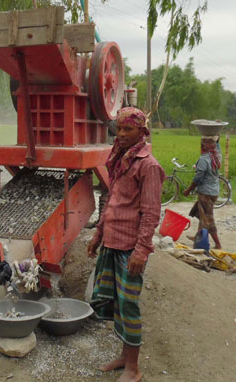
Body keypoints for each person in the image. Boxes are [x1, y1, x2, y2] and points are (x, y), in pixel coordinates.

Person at [87, 107, 165, 382]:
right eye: (118, 128)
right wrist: (98, 235)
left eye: (127, 129)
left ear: (141, 132)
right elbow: (111, 200)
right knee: (117, 303)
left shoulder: (148, 166)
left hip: (130, 247)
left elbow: (151, 212)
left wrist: (142, 250)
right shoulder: (119, 159)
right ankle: (124, 357)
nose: (120, 134)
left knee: (129, 304)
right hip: (112, 241)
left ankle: (134, 368)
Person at [183, 136, 223, 249]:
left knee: (208, 218)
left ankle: (218, 244)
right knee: (203, 214)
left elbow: (198, 178)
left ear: (203, 147)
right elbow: (218, 146)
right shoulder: (216, 156)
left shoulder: (204, 159)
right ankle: (197, 236)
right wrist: (217, 137)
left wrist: (188, 190)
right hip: (214, 191)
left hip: (206, 192)